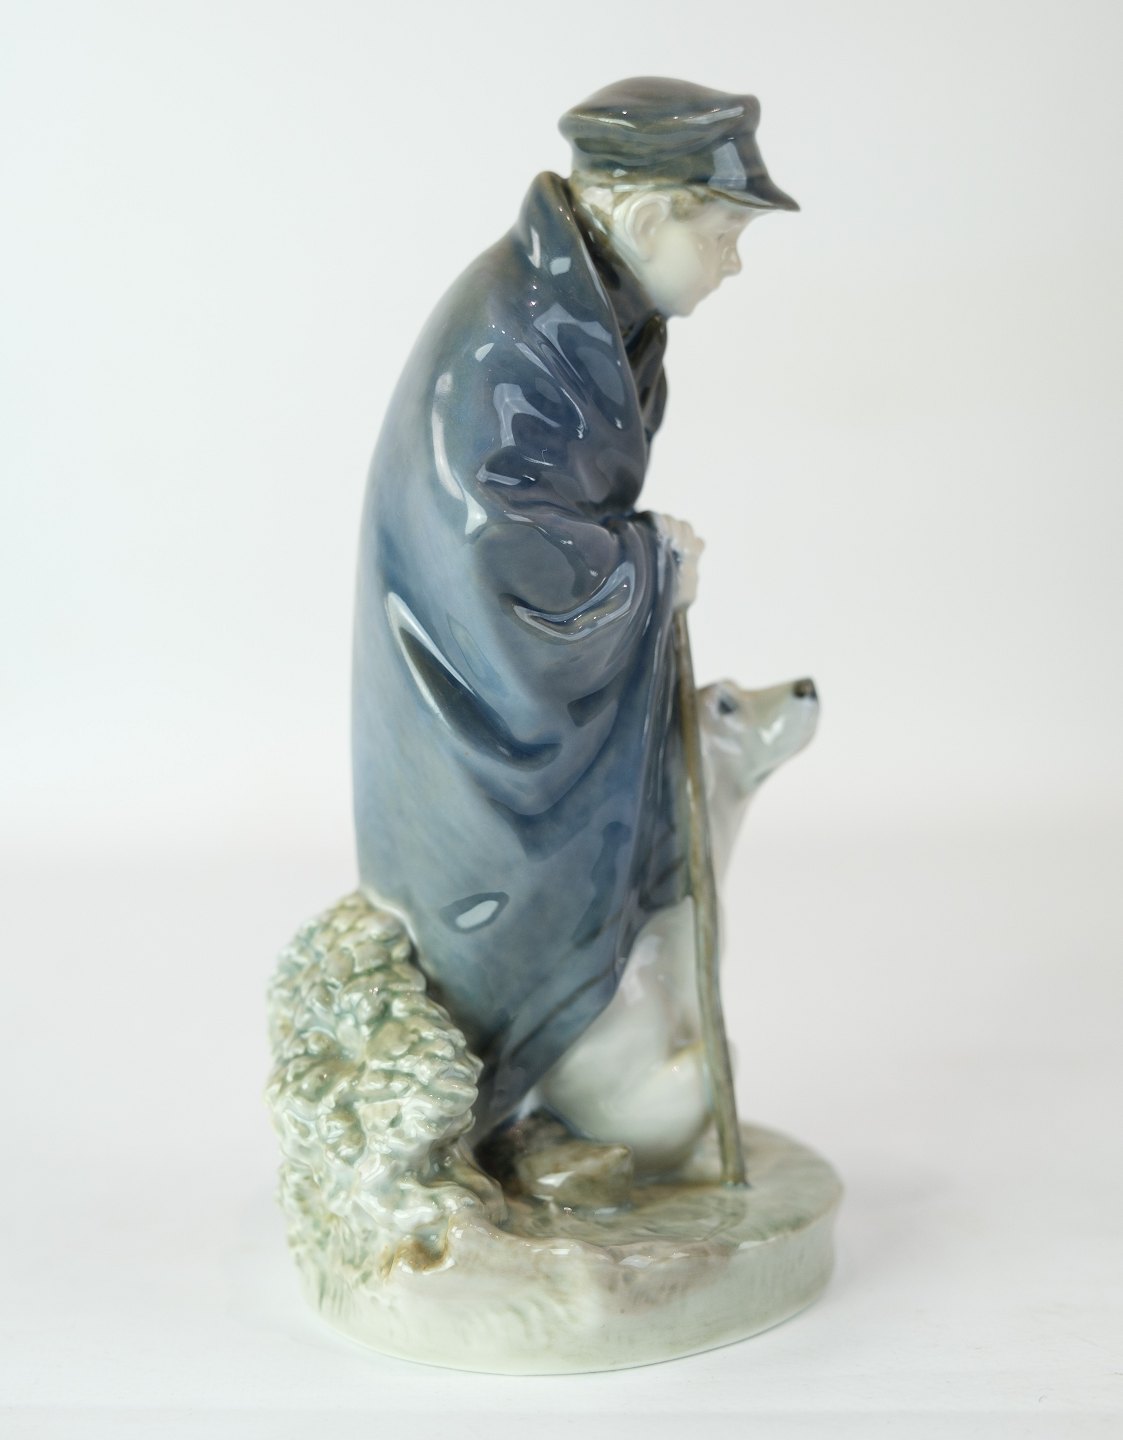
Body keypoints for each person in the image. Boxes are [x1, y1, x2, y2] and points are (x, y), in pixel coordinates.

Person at [352, 77, 798, 1137]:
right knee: (519, 904)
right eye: (723, 234)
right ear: (647, 219)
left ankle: (584, 1087)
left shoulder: (599, 315)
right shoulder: (510, 337)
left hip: (540, 677)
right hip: (475, 694)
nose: (733, 263)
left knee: (609, 870)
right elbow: (493, 549)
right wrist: (641, 566)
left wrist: (634, 559)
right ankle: (515, 1104)